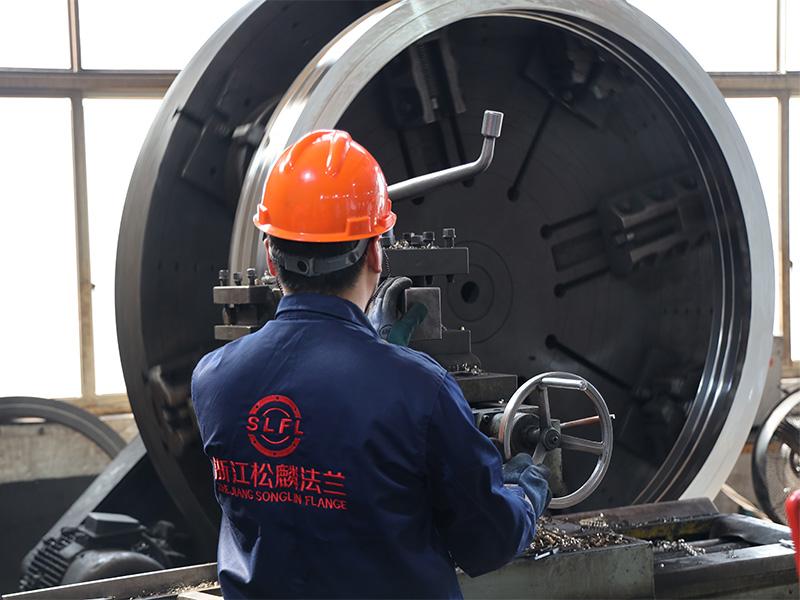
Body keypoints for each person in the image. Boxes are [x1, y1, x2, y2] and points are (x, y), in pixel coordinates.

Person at [191, 129, 551, 599]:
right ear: (377, 253)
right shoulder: (421, 390)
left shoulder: (213, 379)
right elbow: (488, 541)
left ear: (270, 259)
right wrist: (525, 488)